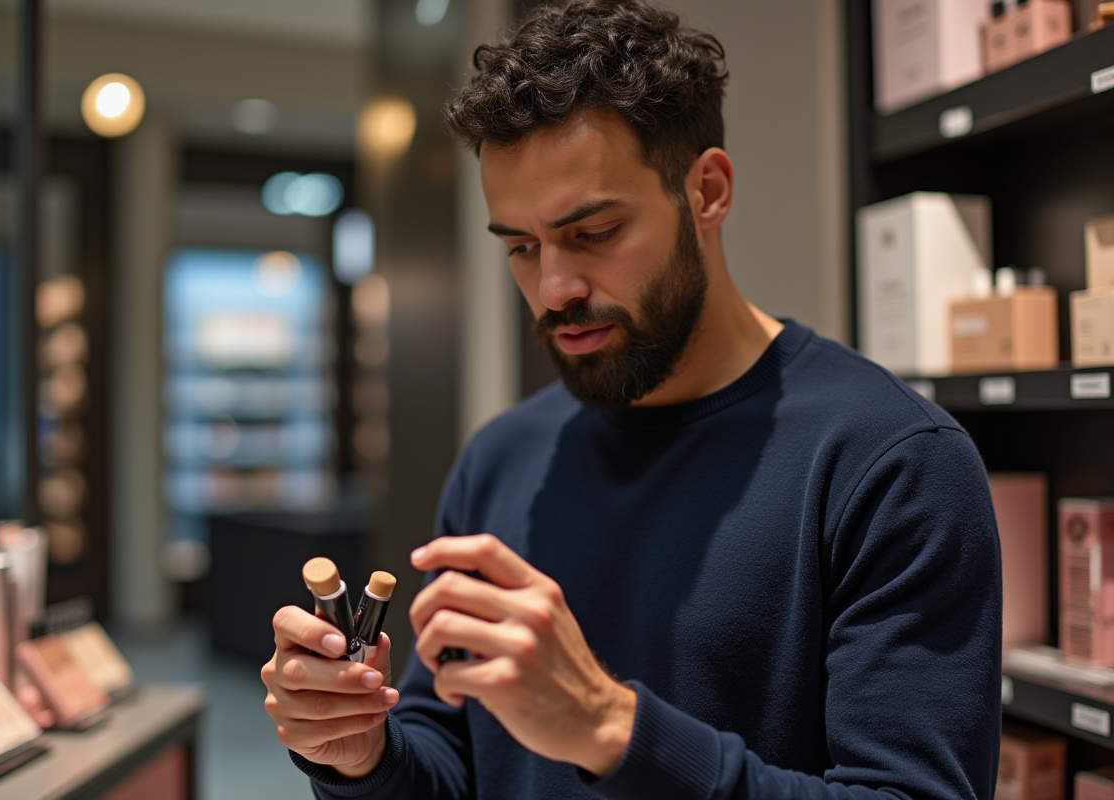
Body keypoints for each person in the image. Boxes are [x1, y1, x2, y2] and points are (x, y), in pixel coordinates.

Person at [261, 1, 1002, 797]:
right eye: (520, 245)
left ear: (708, 192)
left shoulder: (888, 463)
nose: (554, 288)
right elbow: (456, 760)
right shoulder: (502, 460)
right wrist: (363, 755)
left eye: (594, 232)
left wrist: (610, 728)